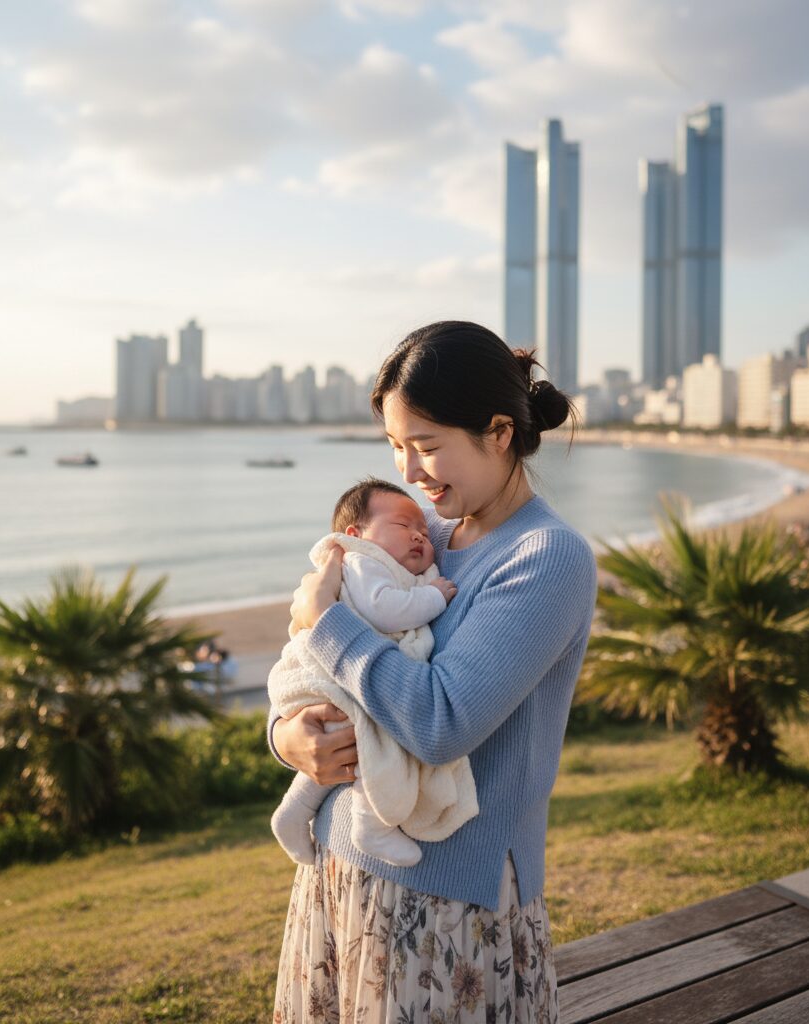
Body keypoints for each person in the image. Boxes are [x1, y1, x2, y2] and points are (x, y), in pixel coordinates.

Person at [266, 321, 598, 1022]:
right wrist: (286, 736)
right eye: (395, 448)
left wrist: (327, 623)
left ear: (499, 433)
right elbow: (310, 660)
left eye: (426, 447)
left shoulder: (545, 558)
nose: (409, 474)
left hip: (450, 908)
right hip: (339, 869)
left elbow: (440, 721)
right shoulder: (427, 539)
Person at [269, 477, 470, 869]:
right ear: (355, 534)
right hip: (331, 677)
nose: (419, 536)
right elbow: (383, 610)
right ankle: (372, 823)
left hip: (349, 674)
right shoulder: (362, 561)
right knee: (371, 746)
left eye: (423, 532)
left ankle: (292, 814)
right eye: (404, 527)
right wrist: (433, 596)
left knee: (356, 746)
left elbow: (437, 719)